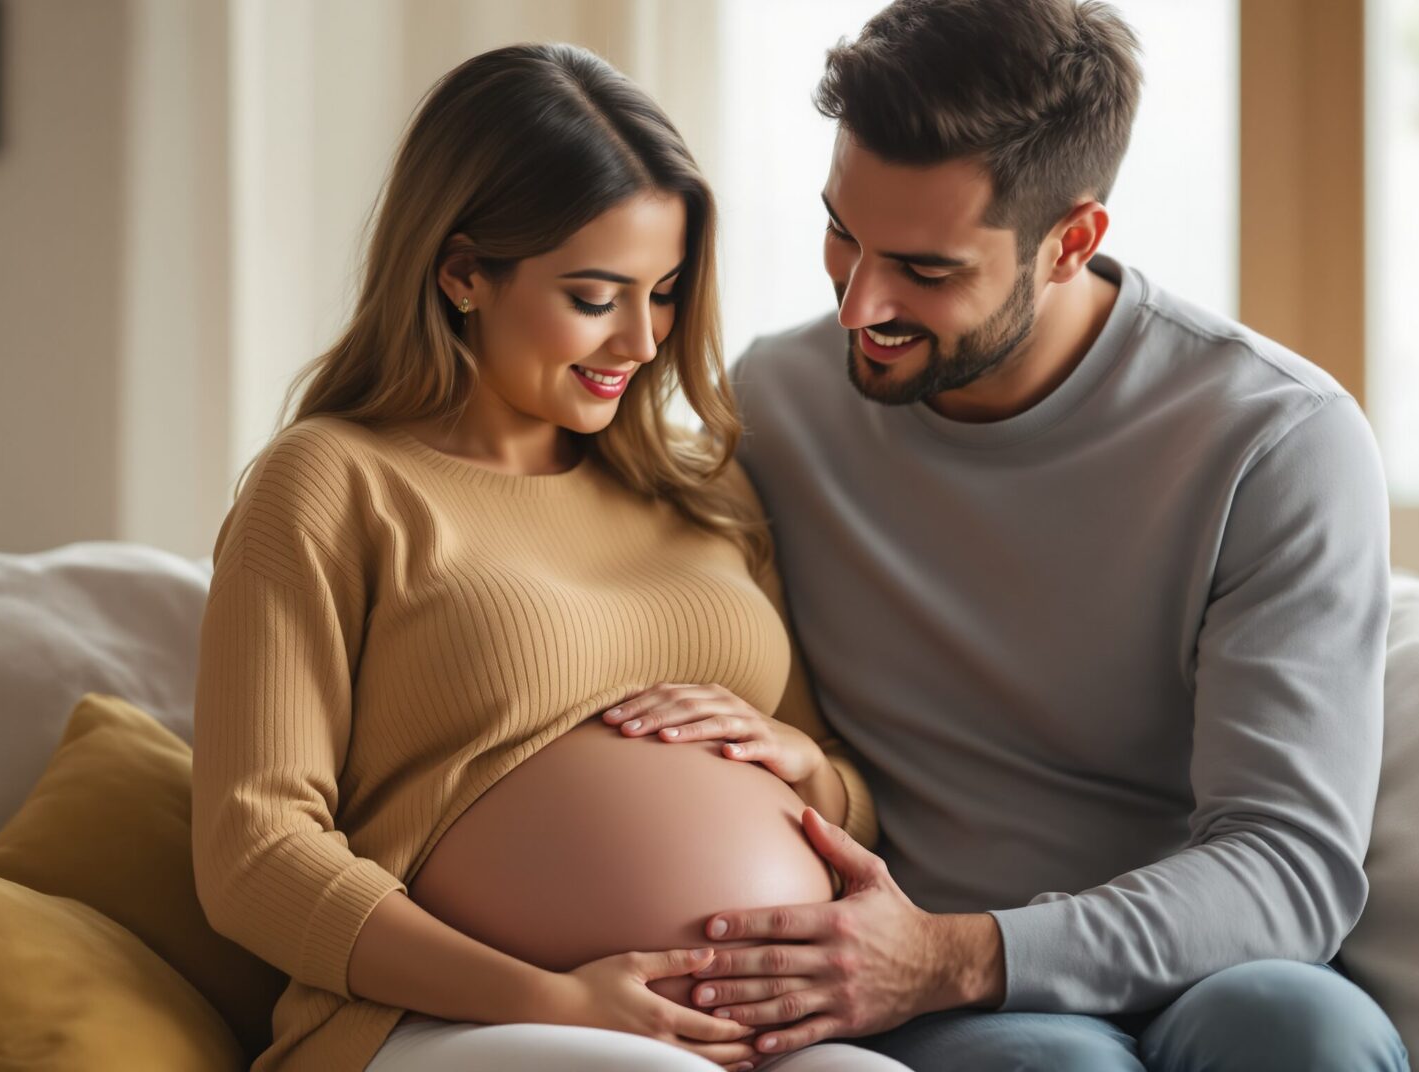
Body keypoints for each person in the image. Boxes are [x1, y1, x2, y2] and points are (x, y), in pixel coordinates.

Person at [682, 2, 1412, 1069]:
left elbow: (1288, 868)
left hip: (1201, 964)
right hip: (957, 1001)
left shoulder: (1274, 439)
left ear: (1070, 243)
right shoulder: (777, 402)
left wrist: (954, 955)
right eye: (842, 233)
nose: (858, 306)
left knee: (1301, 1032)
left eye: (926, 270)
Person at [190, 42, 909, 1072]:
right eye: (595, 297)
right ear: (462, 273)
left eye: (665, 292)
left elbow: (844, 785)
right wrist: (557, 998)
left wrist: (810, 775)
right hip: (448, 1022)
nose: (641, 343)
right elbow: (254, 850)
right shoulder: (331, 482)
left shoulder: (701, 487)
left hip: (756, 1032)